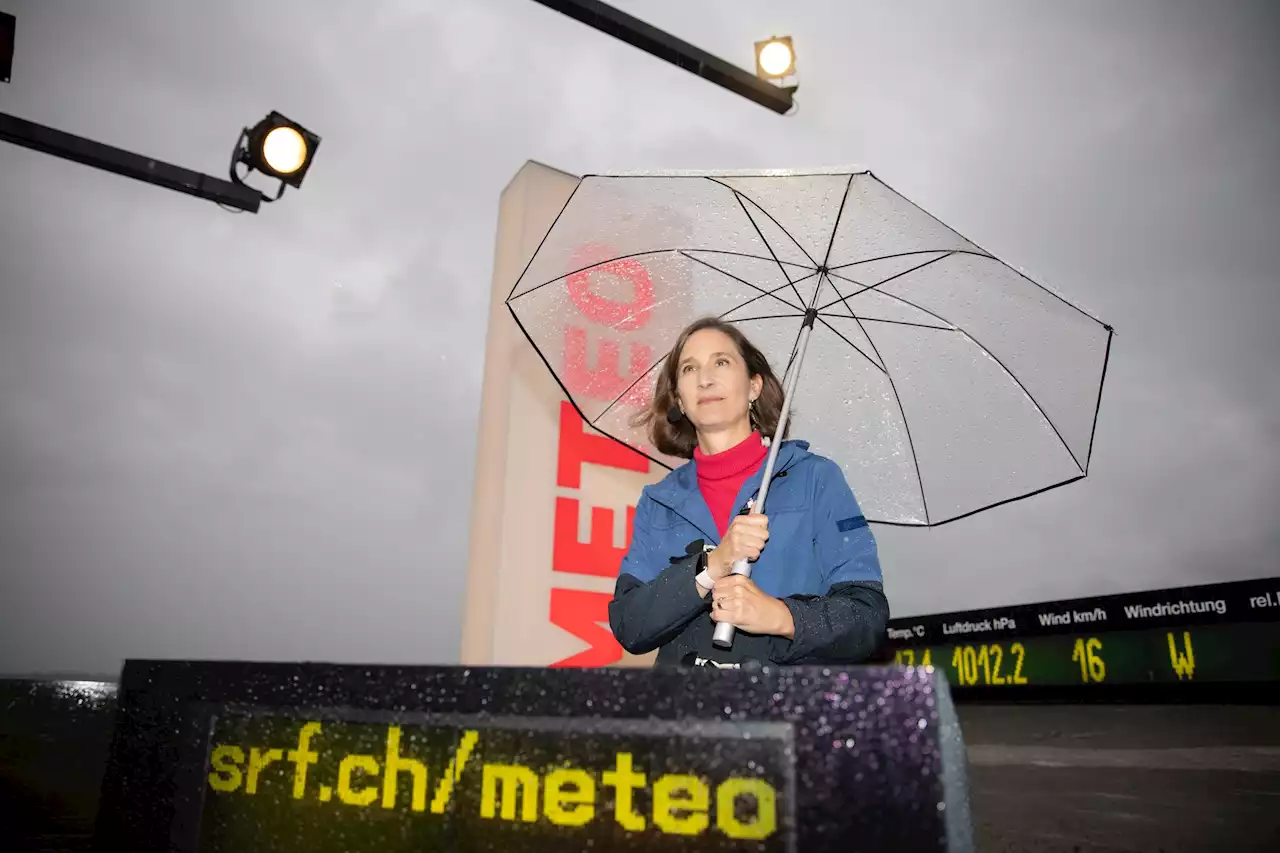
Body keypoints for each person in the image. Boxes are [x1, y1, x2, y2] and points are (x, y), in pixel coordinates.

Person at [608, 316, 890, 669]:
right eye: (690, 369)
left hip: (788, 714)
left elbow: (867, 619)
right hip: (684, 715)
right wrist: (712, 566)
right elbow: (629, 626)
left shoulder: (816, 478)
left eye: (721, 362)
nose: (706, 379)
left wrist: (779, 616)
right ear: (679, 398)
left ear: (754, 386)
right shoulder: (659, 501)